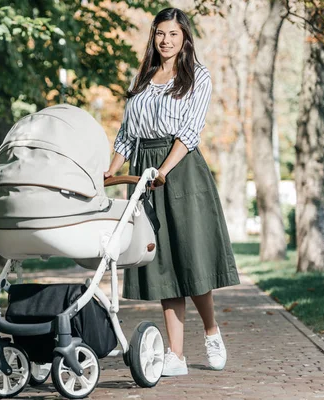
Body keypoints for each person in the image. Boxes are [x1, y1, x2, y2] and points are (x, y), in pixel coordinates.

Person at [105, 8, 240, 376]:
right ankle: (175, 355)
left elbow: (190, 131)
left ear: (185, 38)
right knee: (162, 263)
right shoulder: (144, 79)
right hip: (143, 176)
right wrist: (110, 171)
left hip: (180, 172)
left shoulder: (198, 75)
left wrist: (163, 170)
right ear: (154, 37)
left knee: (190, 257)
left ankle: (211, 332)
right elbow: (127, 134)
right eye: (160, 34)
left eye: (173, 34)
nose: (166, 41)